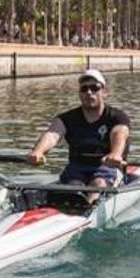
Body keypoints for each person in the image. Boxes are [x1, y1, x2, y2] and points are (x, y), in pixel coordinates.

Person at [27, 69, 130, 203]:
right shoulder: (67, 118)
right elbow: (52, 135)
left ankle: (89, 208)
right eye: (84, 89)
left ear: (104, 92)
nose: (89, 92)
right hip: (76, 168)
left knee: (98, 183)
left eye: (94, 88)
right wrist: (38, 151)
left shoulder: (117, 117)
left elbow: (119, 134)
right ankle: (72, 204)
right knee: (73, 187)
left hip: (108, 168)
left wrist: (116, 154)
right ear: (79, 93)